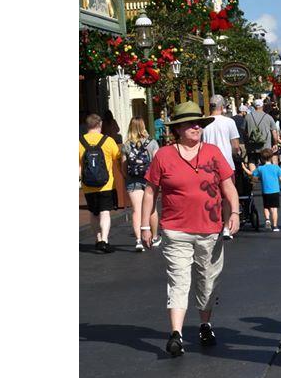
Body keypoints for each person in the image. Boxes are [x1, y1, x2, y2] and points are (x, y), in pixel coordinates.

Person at [140, 101, 240, 357]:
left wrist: (235, 213)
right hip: (175, 230)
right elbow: (150, 192)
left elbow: (228, 186)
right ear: (178, 129)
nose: (196, 127)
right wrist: (145, 225)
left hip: (210, 230)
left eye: (199, 123)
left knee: (207, 281)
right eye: (190, 124)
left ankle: (205, 325)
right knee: (179, 281)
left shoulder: (213, 153)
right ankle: (176, 334)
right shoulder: (164, 155)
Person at [80, 113, 123, 253]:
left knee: (93, 213)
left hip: (88, 185)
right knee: (105, 212)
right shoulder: (108, 141)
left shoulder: (79, 142)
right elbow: (118, 158)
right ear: (100, 125)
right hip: (106, 184)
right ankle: (104, 240)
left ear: (87, 125)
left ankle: (98, 239)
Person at [202, 95, 242, 238]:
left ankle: (213, 225)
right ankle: (226, 227)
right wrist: (237, 153)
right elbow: (235, 145)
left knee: (210, 195)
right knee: (227, 196)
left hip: (208, 164)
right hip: (226, 164)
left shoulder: (205, 123)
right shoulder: (229, 122)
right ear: (222, 107)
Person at [120, 118, 161, 251]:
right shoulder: (152, 143)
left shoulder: (127, 145)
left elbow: (123, 167)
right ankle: (155, 237)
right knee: (152, 208)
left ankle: (138, 240)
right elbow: (157, 162)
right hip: (150, 180)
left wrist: (128, 178)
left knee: (136, 210)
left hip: (133, 180)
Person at [243, 148, 281, 231]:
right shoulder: (276, 167)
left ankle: (267, 219)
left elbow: (251, 174)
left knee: (266, 206)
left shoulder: (260, 168)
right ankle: (275, 226)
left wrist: (244, 167)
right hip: (275, 191)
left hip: (265, 191)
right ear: (271, 157)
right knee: (274, 208)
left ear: (261, 158)